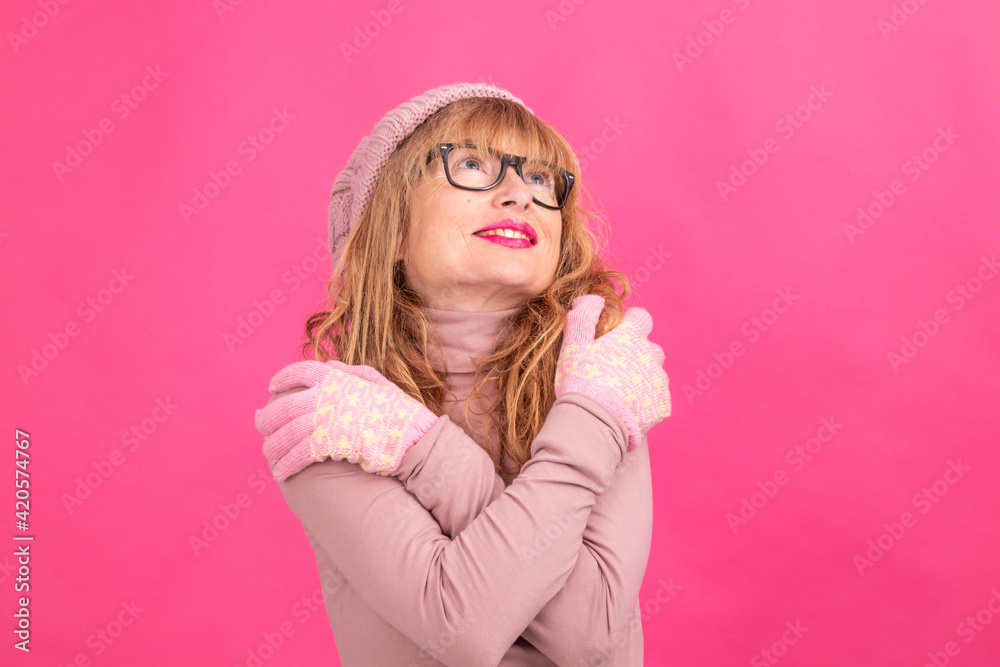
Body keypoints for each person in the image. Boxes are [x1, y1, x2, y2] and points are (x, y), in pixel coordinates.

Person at [254, 82, 672, 666]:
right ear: (389, 229)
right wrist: (590, 425)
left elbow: (590, 634)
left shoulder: (601, 376)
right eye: (473, 164)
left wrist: (421, 450)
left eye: (540, 177)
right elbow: (465, 627)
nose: (520, 195)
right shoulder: (326, 414)